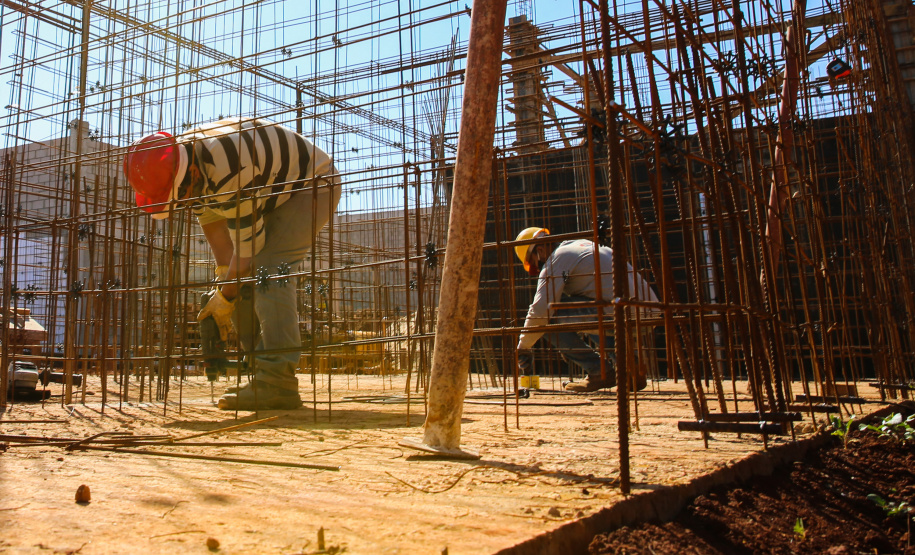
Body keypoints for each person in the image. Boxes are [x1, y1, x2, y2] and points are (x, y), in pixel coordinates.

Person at [123, 117, 342, 410]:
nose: (181, 205)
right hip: (268, 191)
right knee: (238, 277)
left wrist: (225, 297)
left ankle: (277, 382)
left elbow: (249, 252)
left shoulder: (226, 170)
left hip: (311, 183)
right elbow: (225, 251)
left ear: (192, 175)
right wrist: (225, 285)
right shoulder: (190, 175)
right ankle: (260, 370)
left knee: (269, 268)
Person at [514, 227, 660, 392]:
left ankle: (598, 372)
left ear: (540, 250)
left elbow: (540, 311)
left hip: (620, 313)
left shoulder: (558, 258)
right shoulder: (584, 246)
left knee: (548, 321)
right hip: (648, 312)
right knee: (590, 305)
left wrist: (524, 346)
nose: (540, 268)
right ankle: (629, 368)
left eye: (536, 264)